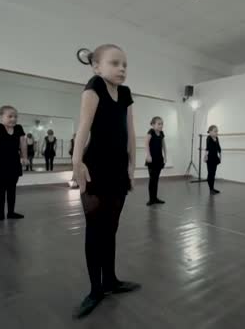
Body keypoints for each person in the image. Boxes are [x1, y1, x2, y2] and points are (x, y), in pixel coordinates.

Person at [73, 44, 140, 318]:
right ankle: (95, 289)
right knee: (95, 229)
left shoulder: (125, 93)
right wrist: (76, 162)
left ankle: (110, 280)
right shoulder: (94, 86)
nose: (122, 68)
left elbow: (131, 132)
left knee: (111, 228)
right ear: (97, 67)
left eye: (124, 64)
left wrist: (132, 166)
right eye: (115, 63)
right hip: (96, 169)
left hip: (118, 170)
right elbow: (83, 126)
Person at [0, 105, 28, 223]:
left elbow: (23, 143)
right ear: (2, 117)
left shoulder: (19, 128)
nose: (13, 119)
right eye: (10, 116)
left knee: (12, 189)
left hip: (14, 162)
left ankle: (11, 212)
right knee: (1, 189)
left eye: (15, 116)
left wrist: (25, 157)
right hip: (0, 163)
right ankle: (0, 214)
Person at [145, 116, 167, 206]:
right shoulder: (151, 132)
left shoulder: (161, 133)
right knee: (152, 179)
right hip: (152, 159)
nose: (161, 125)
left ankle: (155, 198)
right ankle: (151, 199)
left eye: (162, 124)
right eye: (159, 124)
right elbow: (146, 143)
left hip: (159, 159)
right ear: (153, 124)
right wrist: (148, 155)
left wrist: (166, 156)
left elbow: (164, 145)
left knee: (156, 179)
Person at [204, 125, 222, 195]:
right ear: (210, 132)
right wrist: (205, 156)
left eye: (217, 131)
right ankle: (211, 188)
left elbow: (219, 148)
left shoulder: (217, 138)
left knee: (213, 173)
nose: (216, 132)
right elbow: (207, 148)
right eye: (215, 131)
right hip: (210, 159)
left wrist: (220, 156)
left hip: (215, 158)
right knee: (210, 173)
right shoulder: (208, 138)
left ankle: (212, 188)